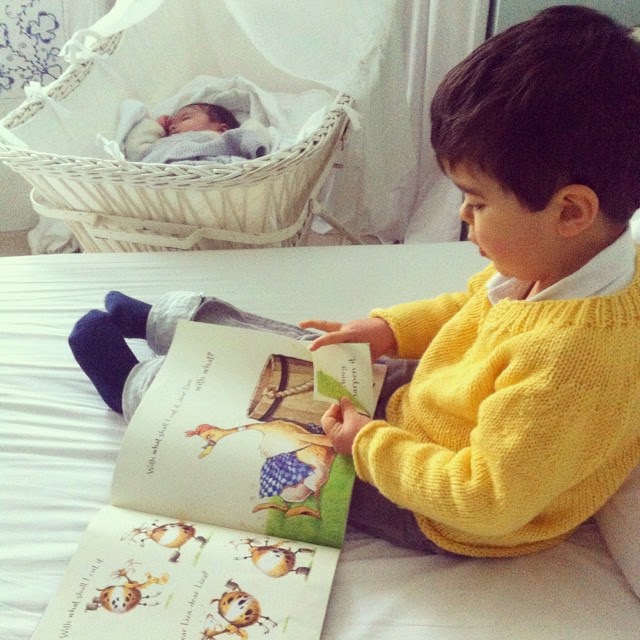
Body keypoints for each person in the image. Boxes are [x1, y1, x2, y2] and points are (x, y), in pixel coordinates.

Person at [70, 5, 640, 557]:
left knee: (269, 455)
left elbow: (484, 499)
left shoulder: (574, 362)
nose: (463, 216)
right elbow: (470, 306)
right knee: (316, 350)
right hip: (433, 403)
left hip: (437, 504)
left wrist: (365, 443)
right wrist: (390, 330)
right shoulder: (554, 262)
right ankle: (181, 323)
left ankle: (139, 391)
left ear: (570, 212)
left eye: (477, 202)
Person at [123, 101, 268, 163]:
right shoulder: (164, 143)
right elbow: (137, 151)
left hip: (215, 171)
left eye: (185, 118)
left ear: (222, 128)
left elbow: (254, 138)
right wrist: (156, 125)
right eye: (172, 124)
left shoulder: (226, 138)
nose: (173, 126)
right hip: (166, 179)